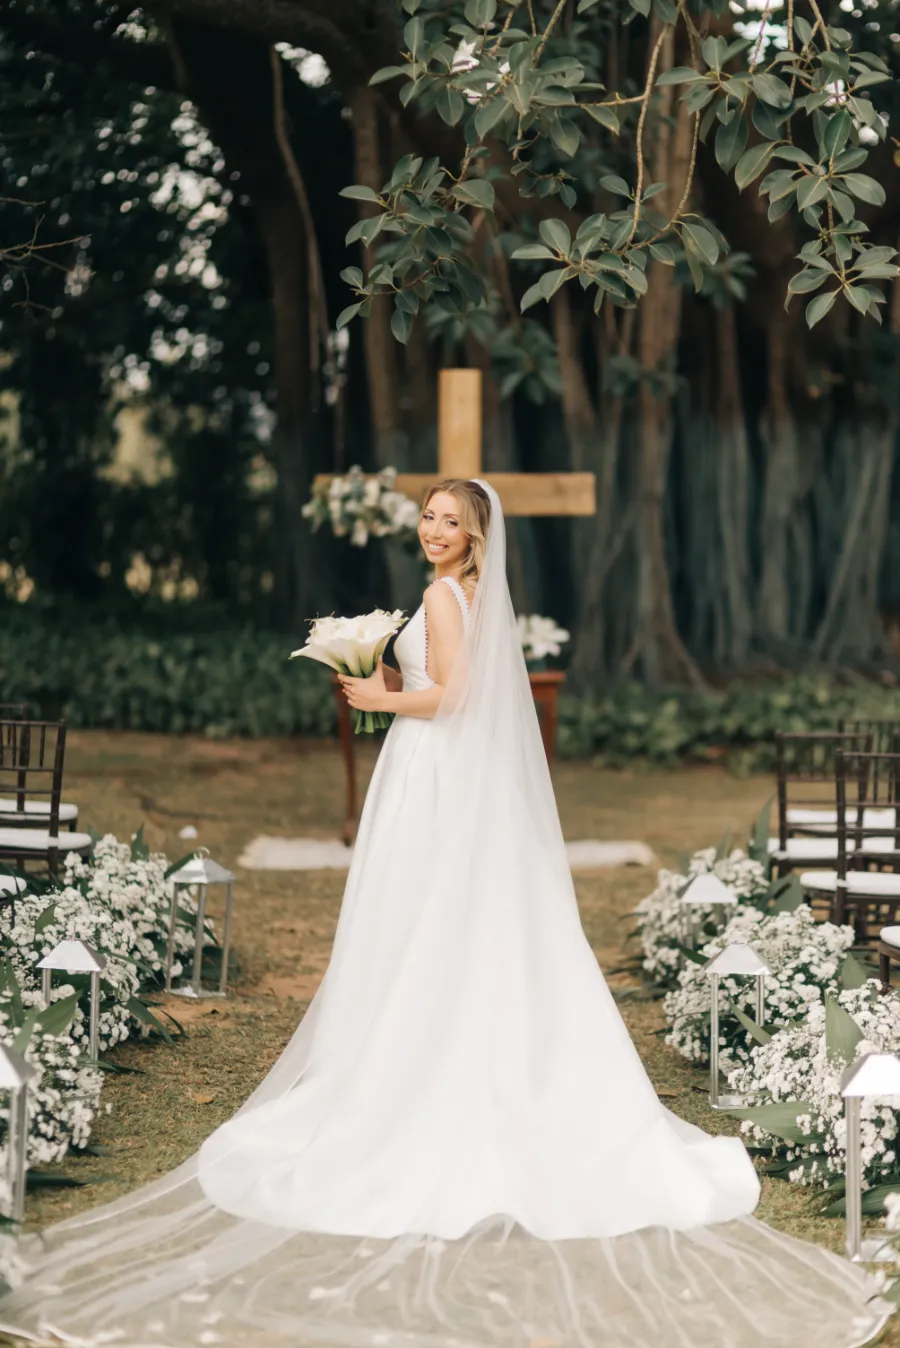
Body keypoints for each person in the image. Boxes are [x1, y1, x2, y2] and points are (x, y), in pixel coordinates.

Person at [0, 479, 889, 1347]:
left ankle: (417, 1062)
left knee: (423, 922)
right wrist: (382, 667)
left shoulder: (446, 594)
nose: (433, 529)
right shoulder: (458, 593)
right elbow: (445, 681)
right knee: (444, 924)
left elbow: (454, 699)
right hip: (438, 772)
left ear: (473, 536)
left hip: (434, 771)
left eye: (449, 520)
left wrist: (382, 699)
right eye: (426, 517)